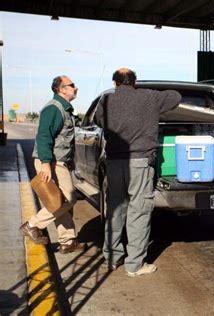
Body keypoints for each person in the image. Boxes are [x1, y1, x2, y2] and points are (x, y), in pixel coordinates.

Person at [95, 68, 181, 277]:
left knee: (115, 211)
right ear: (135, 82)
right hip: (140, 164)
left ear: (115, 83)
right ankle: (134, 265)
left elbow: (98, 121)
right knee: (139, 212)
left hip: (114, 163)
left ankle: (112, 259)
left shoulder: (106, 100)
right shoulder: (149, 97)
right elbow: (176, 96)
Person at [19, 76, 84, 254]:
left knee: (59, 199)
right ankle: (32, 225)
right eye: (72, 85)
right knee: (68, 198)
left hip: (58, 161)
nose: (75, 88)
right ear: (62, 89)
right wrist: (46, 163)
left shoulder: (65, 109)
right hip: (51, 161)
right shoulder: (53, 109)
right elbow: (43, 137)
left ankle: (67, 241)